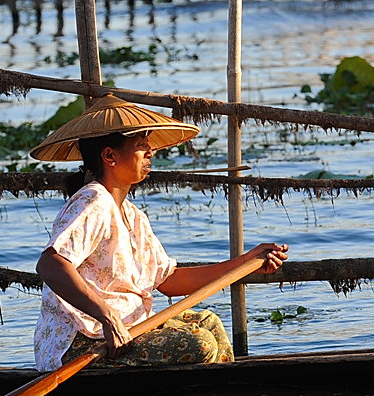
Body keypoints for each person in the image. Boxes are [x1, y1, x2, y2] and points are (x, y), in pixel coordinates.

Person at [29, 94, 289, 372]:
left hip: (129, 328)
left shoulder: (132, 214)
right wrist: (107, 316)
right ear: (109, 156)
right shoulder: (93, 201)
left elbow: (169, 280)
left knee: (208, 322)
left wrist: (247, 262)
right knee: (199, 343)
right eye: (140, 146)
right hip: (86, 340)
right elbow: (51, 264)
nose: (150, 152)